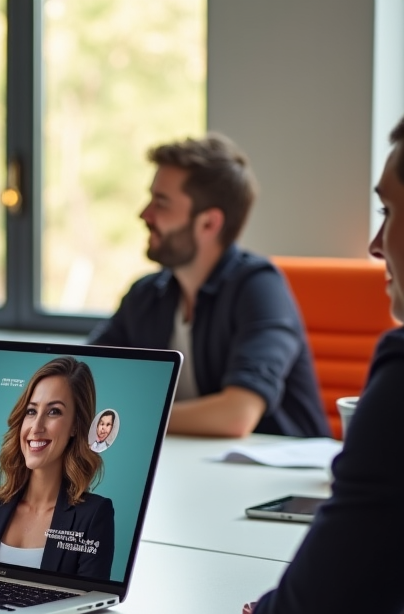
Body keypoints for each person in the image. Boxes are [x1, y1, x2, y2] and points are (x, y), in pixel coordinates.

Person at [237, 116, 404, 614]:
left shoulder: (255, 284)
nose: (375, 244)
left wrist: (281, 608)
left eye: (388, 211)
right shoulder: (147, 294)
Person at [88, 133, 329, 439]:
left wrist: (126, 419)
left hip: (280, 477)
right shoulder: (147, 294)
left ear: (209, 224)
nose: (144, 214)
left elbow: (237, 415)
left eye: (161, 202)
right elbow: (85, 379)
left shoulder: (259, 288)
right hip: (193, 467)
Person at [0, 357, 115, 579]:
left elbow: (87, 605)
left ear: (76, 425)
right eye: (31, 411)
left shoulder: (93, 516)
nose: (36, 427)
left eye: (54, 411)